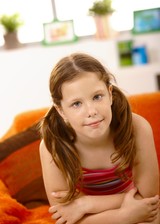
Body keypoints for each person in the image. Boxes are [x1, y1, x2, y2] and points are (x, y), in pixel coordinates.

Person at [39, 52, 159, 224]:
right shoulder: (52, 146)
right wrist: (122, 216)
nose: (91, 111)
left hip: (133, 210)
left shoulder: (137, 128)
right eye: (76, 104)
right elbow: (65, 216)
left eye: (97, 97)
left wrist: (86, 204)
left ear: (110, 94)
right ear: (61, 110)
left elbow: (148, 199)